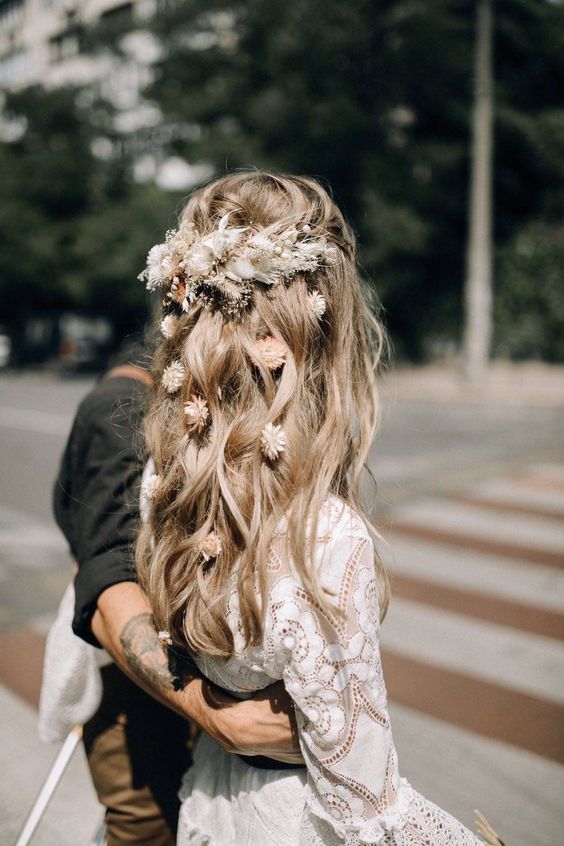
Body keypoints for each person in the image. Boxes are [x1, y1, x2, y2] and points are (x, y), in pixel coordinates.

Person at [134, 171, 483, 845]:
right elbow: (362, 806)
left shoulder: (169, 478)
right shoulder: (321, 537)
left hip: (214, 801)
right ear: (318, 338)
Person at [53, 338, 301, 846]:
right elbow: (109, 582)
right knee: (149, 826)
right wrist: (215, 712)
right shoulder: (117, 412)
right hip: (135, 677)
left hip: (206, 659)